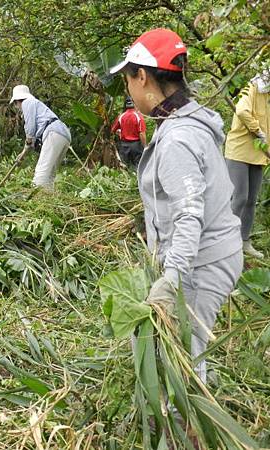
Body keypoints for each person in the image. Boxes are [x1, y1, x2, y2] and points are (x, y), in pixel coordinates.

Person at [110, 28, 243, 383]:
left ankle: (188, 429)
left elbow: (189, 214)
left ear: (142, 77)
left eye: (128, 80)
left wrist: (172, 280)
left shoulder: (178, 139)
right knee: (187, 349)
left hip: (202, 260)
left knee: (182, 360)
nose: (129, 89)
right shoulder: (186, 121)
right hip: (213, 251)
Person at [224, 71, 269, 259]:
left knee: (252, 200)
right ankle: (226, 243)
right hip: (239, 152)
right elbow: (242, 111)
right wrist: (258, 131)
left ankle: (244, 241)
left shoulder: (267, 96)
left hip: (258, 153)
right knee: (239, 198)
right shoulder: (251, 88)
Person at [11, 85, 71, 190]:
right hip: (64, 134)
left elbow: (30, 129)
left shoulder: (27, 103)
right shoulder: (36, 105)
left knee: (41, 171)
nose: (17, 107)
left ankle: (35, 198)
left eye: (15, 104)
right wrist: (23, 153)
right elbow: (32, 138)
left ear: (17, 101)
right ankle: (48, 199)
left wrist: (28, 142)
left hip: (53, 133)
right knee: (50, 173)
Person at [111, 97, 147, 169]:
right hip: (136, 145)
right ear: (134, 104)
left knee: (125, 166)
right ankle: (137, 180)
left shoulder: (121, 116)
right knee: (138, 166)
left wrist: (120, 132)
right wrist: (145, 146)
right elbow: (142, 133)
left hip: (124, 145)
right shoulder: (138, 116)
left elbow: (113, 130)